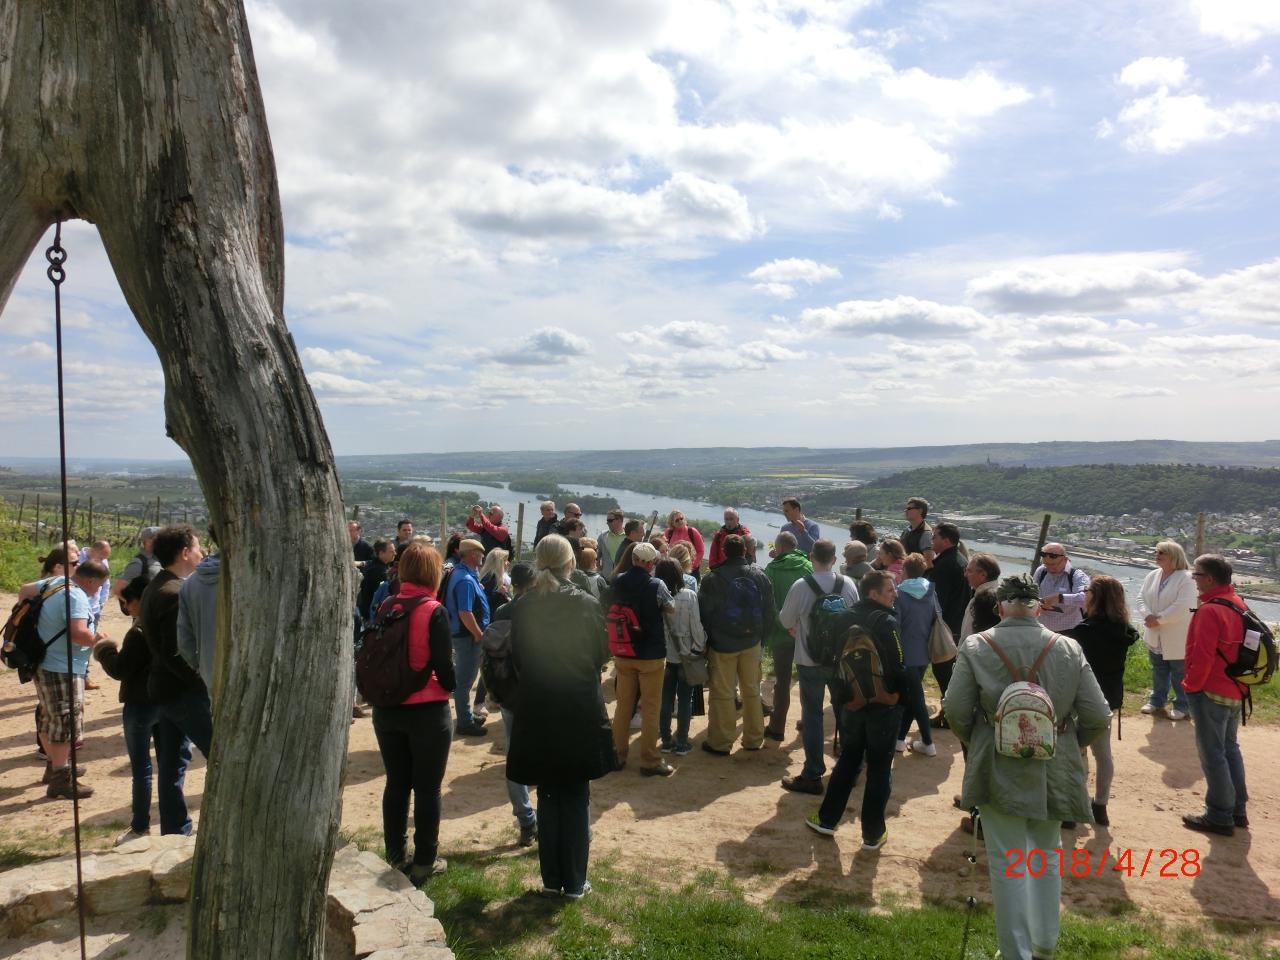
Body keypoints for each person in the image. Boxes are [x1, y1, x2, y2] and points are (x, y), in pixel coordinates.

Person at [943, 574, 1110, 960]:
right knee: (1045, 855)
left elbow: (954, 709)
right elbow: (1098, 714)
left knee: (1007, 860)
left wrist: (982, 739)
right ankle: (1044, 944)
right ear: (1038, 607)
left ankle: (1016, 952)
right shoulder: (1068, 647)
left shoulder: (977, 645)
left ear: (1000, 609)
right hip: (1052, 764)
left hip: (997, 764)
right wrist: (1067, 742)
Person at [507, 535, 612, 898]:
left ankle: (552, 880)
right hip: (578, 706)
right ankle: (575, 881)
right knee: (576, 793)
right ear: (571, 563)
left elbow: (517, 658)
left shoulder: (523, 605)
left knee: (549, 794)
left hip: (538, 707)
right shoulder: (585, 603)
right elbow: (601, 654)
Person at [370, 542, 456, 882]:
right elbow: (444, 668)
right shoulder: (433, 610)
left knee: (397, 783)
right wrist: (449, 685)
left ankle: (395, 854)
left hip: (388, 707)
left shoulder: (388, 605)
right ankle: (424, 861)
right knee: (428, 788)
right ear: (433, 573)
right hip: (427, 710)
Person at [803, 570, 904, 844]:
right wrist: (897, 697)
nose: (895, 594)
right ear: (873, 593)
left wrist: (842, 698)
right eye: (890, 590)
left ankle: (826, 820)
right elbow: (898, 664)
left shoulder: (843, 618)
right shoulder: (887, 621)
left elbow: (832, 662)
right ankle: (873, 834)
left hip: (852, 704)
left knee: (848, 760)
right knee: (880, 767)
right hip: (884, 707)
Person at [94, 575, 193, 840]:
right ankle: (177, 826)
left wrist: (104, 649)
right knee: (172, 767)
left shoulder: (138, 633)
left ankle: (140, 826)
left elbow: (120, 669)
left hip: (140, 706)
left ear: (139, 601)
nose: (125, 609)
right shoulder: (172, 622)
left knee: (142, 770)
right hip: (169, 702)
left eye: (126, 603)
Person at [21, 557, 110, 798]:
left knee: (49, 715)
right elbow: (78, 634)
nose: (99, 590)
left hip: (43, 661)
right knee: (65, 720)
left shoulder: (57, 582)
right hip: (63, 666)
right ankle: (61, 778)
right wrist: (97, 638)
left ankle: (55, 766)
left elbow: (25, 590)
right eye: (100, 585)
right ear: (90, 580)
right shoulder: (76, 596)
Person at [776, 539, 858, 791]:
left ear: (812, 557)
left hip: (809, 659)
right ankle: (849, 770)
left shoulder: (802, 586)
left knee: (812, 714)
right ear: (834, 559)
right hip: (840, 659)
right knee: (845, 712)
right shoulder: (848, 584)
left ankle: (812, 774)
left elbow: (785, 619)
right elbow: (856, 619)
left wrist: (796, 628)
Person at [1181, 554, 1250, 836]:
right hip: (1235, 689)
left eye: (1196, 575)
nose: (1193, 580)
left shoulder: (1210, 610)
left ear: (1209, 579)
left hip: (1210, 690)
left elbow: (1203, 654)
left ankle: (1219, 814)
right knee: (1230, 749)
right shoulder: (1237, 603)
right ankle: (1237, 810)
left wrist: (1191, 686)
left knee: (1213, 754)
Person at [1064, 575, 1139, 827]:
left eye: (1087, 591)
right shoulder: (1125, 631)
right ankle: (1101, 805)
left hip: (1084, 696)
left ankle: (1074, 807)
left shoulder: (1086, 631)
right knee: (1103, 753)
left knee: (1076, 752)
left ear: (1096, 597)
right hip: (1110, 696)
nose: (1084, 595)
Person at [698, 534, 776, 756]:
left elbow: (705, 613)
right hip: (752, 641)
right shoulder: (760, 575)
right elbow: (770, 611)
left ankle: (720, 742)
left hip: (722, 643)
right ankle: (753, 739)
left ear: (723, 551)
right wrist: (762, 639)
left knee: (722, 692)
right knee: (751, 690)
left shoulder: (713, 579)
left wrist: (708, 642)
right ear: (745, 551)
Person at [142, 525, 213, 759]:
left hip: (164, 688)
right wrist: (201, 683)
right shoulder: (174, 593)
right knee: (217, 751)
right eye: (197, 547)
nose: (201, 553)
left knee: (172, 763)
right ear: (184, 553)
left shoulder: (159, 584)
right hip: (182, 692)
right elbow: (176, 651)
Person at [481, 561, 539, 847]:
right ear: (534, 582)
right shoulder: (540, 609)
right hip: (538, 693)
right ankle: (546, 818)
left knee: (514, 757)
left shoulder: (503, 610)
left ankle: (526, 820)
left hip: (509, 693)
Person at [609, 542, 675, 776]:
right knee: (650, 707)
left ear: (634, 559)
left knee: (623, 706)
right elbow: (671, 608)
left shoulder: (618, 580)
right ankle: (650, 760)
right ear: (650, 563)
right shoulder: (656, 584)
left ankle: (617, 754)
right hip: (651, 654)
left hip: (624, 650)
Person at [762, 531, 812, 741]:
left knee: (782, 681)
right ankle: (808, 723)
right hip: (805, 633)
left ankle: (777, 727)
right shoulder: (809, 566)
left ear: (780, 547)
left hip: (781, 633)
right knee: (807, 679)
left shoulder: (772, 568)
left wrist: (780, 623)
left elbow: (768, 602)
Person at [1139, 540, 1197, 721]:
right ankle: (1157, 700)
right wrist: (1147, 615)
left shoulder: (1187, 578)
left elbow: (1184, 606)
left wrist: (1159, 619)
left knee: (1180, 672)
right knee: (1159, 669)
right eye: (1157, 552)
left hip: (1176, 635)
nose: (1157, 555)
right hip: (1155, 633)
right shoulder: (1153, 575)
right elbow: (1141, 598)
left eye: (1162, 553)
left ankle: (1182, 705)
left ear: (1174, 556)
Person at [655, 558, 705, 756]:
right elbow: (696, 626)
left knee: (665, 699)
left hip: (664, 655)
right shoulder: (689, 595)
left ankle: (666, 741)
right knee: (685, 700)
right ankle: (682, 742)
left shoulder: (656, 595)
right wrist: (699, 648)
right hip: (686, 654)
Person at [895, 553, 942, 757]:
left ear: (904, 571)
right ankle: (899, 739)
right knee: (911, 696)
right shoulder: (931, 592)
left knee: (915, 698)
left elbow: (894, 625)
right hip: (924, 652)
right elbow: (937, 617)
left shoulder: (899, 594)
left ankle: (928, 741)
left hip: (905, 652)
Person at [444, 538, 490, 736]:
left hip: (465, 636)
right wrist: (479, 635)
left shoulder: (463, 574)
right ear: (472, 554)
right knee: (465, 682)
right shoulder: (465, 580)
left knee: (464, 679)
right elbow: (465, 612)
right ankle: (465, 723)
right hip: (468, 638)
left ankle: (467, 717)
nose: (482, 556)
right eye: (480, 553)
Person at [926, 522, 967, 727]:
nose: (932, 540)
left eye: (935, 537)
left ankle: (949, 715)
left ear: (947, 540)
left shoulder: (945, 565)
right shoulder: (960, 560)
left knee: (943, 672)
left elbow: (935, 600)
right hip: (956, 624)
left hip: (944, 626)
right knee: (947, 671)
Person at [176, 537, 221, 694]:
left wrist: (200, 666)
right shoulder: (264, 576)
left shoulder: (190, 583)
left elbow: (184, 641)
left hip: (212, 674)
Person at [1034, 543, 1090, 632]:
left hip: (1069, 631)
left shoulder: (1077, 576)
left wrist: (1059, 598)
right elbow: (1034, 593)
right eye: (1046, 564)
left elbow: (1086, 599)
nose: (1049, 568)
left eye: (1053, 564)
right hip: (1041, 629)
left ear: (1065, 560)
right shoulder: (1041, 571)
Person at [960, 553, 1002, 639]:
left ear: (983, 575)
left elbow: (967, 636)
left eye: (969, 571)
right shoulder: (1003, 597)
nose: (965, 575)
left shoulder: (979, 601)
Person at [111, 526, 161, 598]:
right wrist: (135, 607)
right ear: (148, 541)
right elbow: (117, 590)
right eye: (161, 537)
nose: (165, 540)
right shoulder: (138, 563)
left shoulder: (161, 558)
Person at [663, 511, 705, 580]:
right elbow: (665, 549)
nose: (680, 521)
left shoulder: (692, 531)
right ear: (672, 523)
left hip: (691, 571)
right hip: (673, 570)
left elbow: (701, 551)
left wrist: (692, 566)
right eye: (677, 520)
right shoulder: (668, 532)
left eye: (681, 518)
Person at [900, 497, 933, 564]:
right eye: (906, 509)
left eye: (909, 509)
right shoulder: (907, 530)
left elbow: (928, 562)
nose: (906, 511)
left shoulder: (926, 533)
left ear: (920, 511)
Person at [597, 510, 627, 579]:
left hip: (623, 578)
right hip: (606, 577)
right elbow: (598, 554)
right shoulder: (602, 536)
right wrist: (599, 567)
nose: (607, 523)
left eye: (610, 520)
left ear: (619, 520)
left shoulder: (628, 536)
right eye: (607, 520)